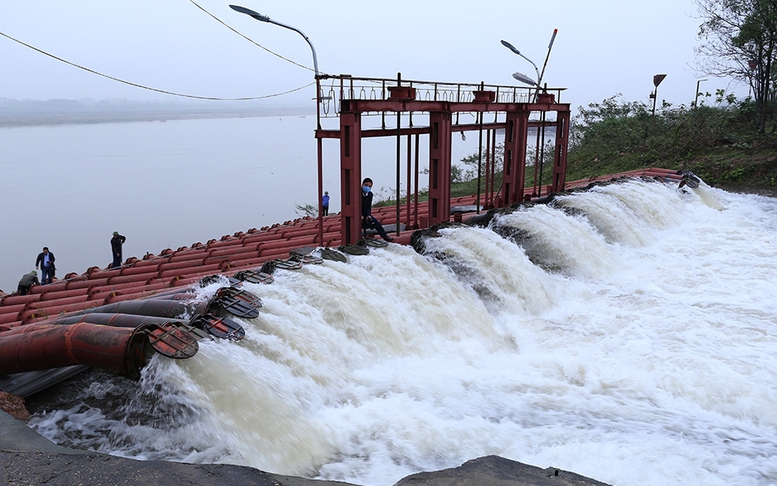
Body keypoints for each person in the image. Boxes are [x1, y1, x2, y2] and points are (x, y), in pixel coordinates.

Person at [361, 177, 393, 242]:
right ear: (362, 185)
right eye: (366, 185)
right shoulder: (357, 193)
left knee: (375, 222)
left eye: (369, 186)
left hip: (364, 213)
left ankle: (384, 236)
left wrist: (368, 215)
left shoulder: (370, 194)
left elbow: (368, 206)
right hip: (356, 213)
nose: (367, 187)